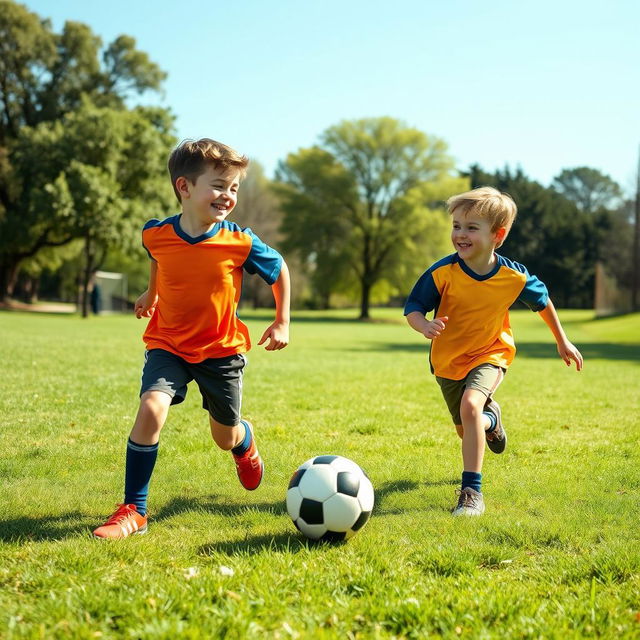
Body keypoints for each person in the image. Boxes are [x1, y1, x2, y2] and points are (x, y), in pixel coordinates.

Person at [93, 138, 291, 539]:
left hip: (221, 351)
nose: (228, 196)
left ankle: (243, 441)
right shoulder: (156, 233)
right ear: (184, 187)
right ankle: (136, 510)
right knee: (151, 407)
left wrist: (282, 321)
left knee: (224, 436)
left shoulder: (239, 241)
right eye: (219, 185)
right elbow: (158, 258)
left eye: (234, 188)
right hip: (167, 343)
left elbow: (280, 268)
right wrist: (153, 293)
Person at [404, 186, 582, 516]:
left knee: (471, 405)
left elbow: (543, 303)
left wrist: (562, 340)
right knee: (466, 427)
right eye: (456, 225)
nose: (460, 234)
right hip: (447, 360)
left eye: (472, 227)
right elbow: (414, 306)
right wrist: (423, 325)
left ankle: (472, 493)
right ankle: (491, 419)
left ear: (497, 235)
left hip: (491, 352)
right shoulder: (443, 272)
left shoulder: (513, 277)